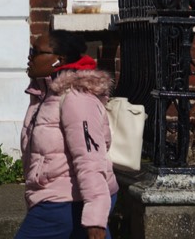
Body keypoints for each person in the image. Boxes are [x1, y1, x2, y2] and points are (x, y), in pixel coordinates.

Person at [15, 29, 118, 239]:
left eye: (35, 52)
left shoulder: (76, 99)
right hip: (57, 198)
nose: (29, 57)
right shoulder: (44, 95)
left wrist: (96, 218)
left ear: (58, 60)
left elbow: (91, 158)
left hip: (68, 202)